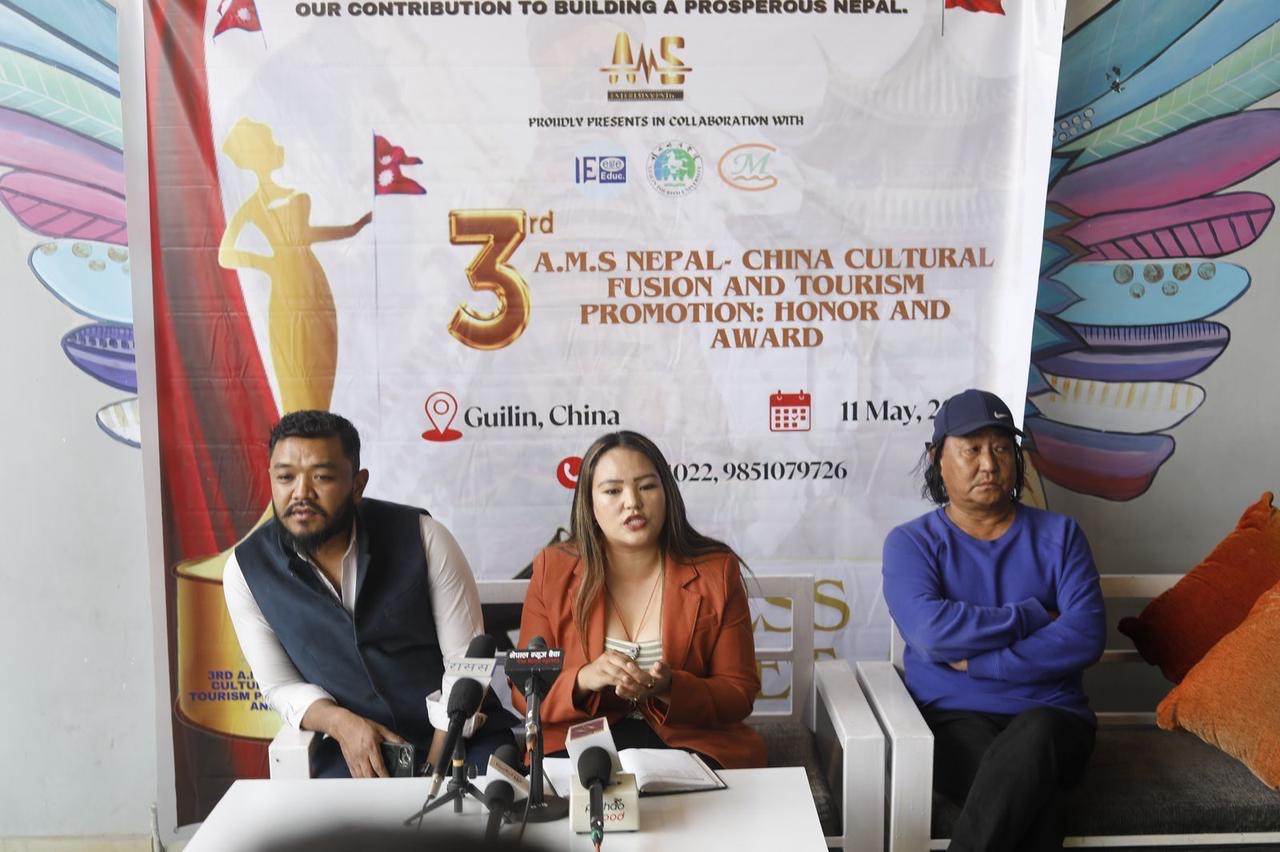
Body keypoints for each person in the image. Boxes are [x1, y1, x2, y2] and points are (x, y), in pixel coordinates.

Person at [224, 410, 511, 778]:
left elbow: (466, 665)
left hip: (460, 739)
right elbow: (280, 685)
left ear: (357, 484)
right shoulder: (247, 571)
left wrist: (431, 769)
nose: (301, 493)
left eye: (322, 477)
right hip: (352, 749)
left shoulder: (424, 538)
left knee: (488, 807)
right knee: (332, 814)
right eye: (285, 477)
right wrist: (340, 723)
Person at [882, 389, 1105, 851]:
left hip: (1055, 720)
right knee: (1034, 805)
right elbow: (932, 633)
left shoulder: (1061, 535)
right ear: (937, 458)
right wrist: (1031, 615)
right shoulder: (912, 544)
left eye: (1002, 448)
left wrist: (982, 662)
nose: (989, 463)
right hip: (953, 720)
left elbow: (1084, 635)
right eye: (972, 449)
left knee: (1036, 737)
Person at [513, 430, 766, 769]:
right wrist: (584, 679)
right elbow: (524, 690)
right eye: (613, 491)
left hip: (690, 742)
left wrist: (670, 687)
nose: (632, 502)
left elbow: (738, 692)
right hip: (583, 743)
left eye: (647, 486)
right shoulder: (552, 569)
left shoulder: (716, 571)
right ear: (589, 503)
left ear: (667, 493)